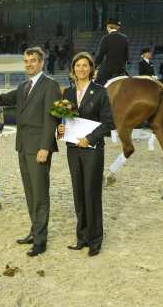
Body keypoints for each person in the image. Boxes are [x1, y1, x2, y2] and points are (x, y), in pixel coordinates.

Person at [0, 47, 61, 257]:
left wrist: (45, 146)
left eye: (33, 61)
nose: (29, 64)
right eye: (26, 61)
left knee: (40, 194)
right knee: (30, 193)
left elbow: (51, 118)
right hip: (23, 146)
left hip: (39, 148)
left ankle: (41, 241)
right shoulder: (24, 85)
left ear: (41, 62)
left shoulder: (50, 85)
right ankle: (34, 232)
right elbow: (2, 100)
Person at [57, 52, 114, 257]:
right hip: (73, 150)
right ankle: (81, 237)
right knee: (78, 193)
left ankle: (95, 240)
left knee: (92, 193)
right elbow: (62, 120)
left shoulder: (100, 92)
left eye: (85, 66)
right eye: (78, 66)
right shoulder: (68, 93)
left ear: (91, 69)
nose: (81, 69)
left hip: (92, 150)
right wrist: (60, 130)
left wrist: (90, 138)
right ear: (73, 70)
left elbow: (109, 123)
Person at [94, 19, 129, 86]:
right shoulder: (124, 38)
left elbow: (100, 55)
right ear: (117, 27)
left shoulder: (106, 38)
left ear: (108, 27)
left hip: (108, 70)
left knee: (97, 84)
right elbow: (126, 57)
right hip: (121, 70)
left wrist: (94, 66)